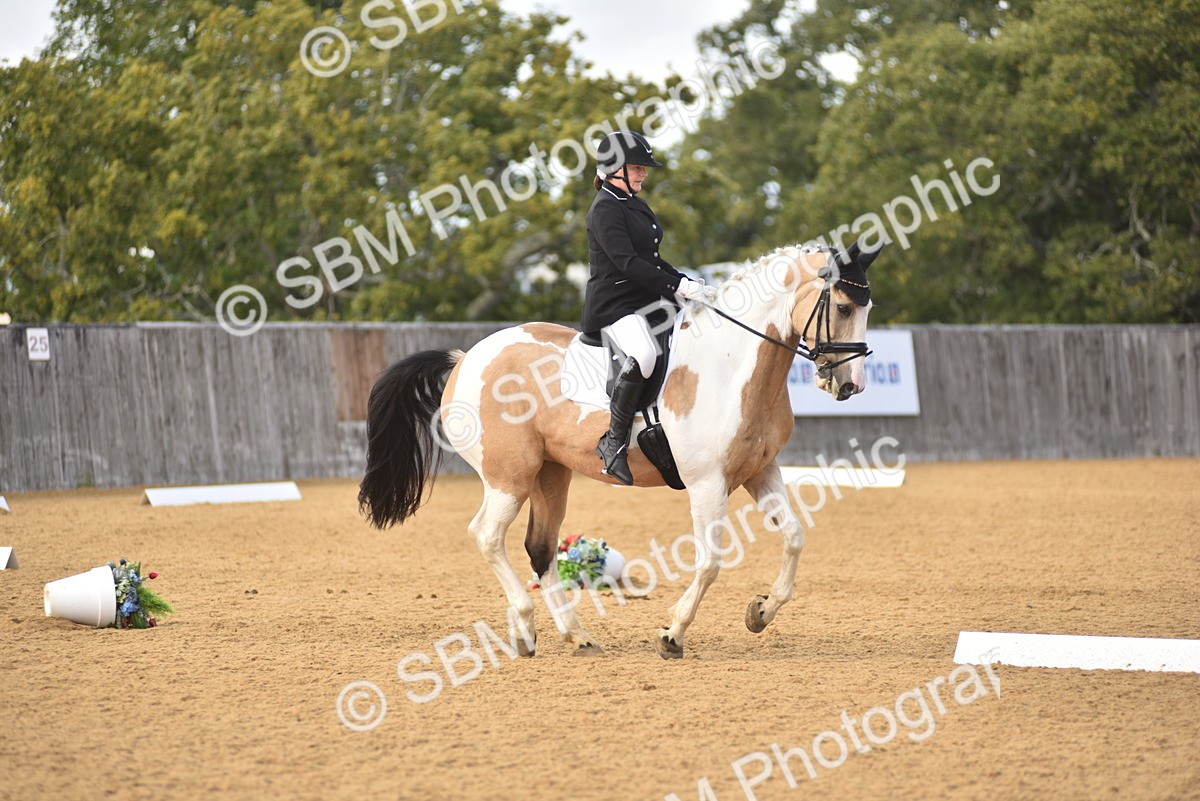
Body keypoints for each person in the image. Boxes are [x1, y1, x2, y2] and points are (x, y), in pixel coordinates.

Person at [581, 131, 715, 485]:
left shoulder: (633, 201)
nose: (643, 174)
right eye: (637, 167)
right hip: (615, 304)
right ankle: (613, 444)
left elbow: (652, 259)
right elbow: (627, 263)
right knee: (644, 354)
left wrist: (688, 283)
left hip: (646, 299)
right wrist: (675, 286)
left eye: (644, 168)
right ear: (614, 168)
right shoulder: (605, 208)